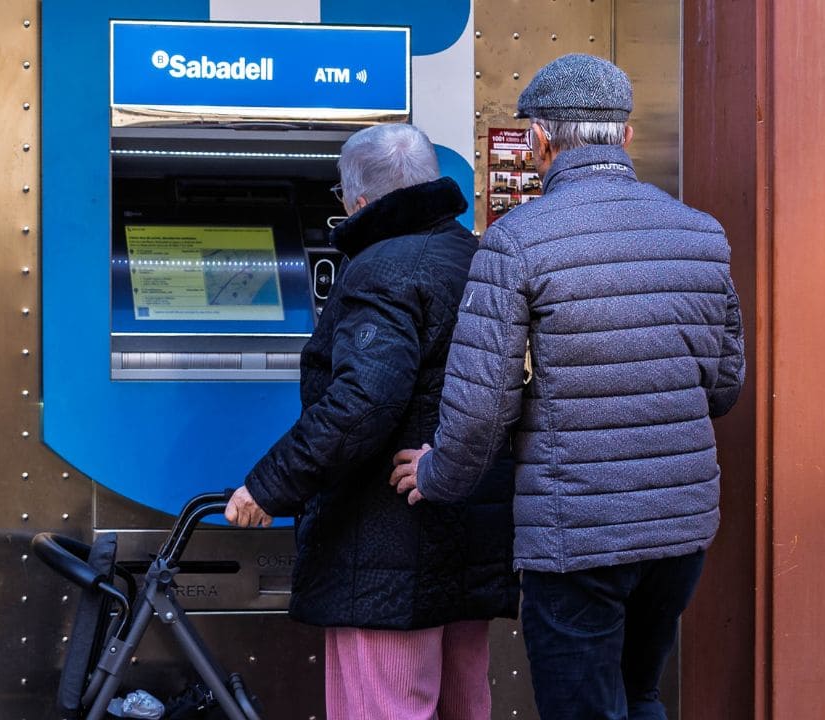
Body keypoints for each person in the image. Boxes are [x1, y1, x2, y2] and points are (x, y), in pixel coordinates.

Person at [390, 54, 745, 720]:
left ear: (538, 141)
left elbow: (480, 409)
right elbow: (724, 386)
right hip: (679, 532)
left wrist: (436, 476)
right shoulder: (703, 234)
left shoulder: (518, 241)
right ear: (626, 136)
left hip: (577, 535)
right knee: (640, 695)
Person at [224, 123, 519, 720]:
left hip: (387, 541)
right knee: (464, 704)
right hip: (468, 528)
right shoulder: (475, 257)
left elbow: (363, 400)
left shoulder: (382, 267)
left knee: (384, 706)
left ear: (358, 201)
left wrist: (271, 485)